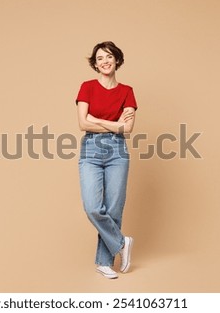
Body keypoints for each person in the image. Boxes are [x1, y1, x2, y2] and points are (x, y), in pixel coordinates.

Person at [75, 41, 138, 279]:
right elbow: (83, 124)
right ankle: (122, 242)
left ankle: (104, 262)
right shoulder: (87, 87)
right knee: (92, 207)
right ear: (95, 63)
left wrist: (97, 119)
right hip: (91, 150)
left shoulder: (127, 91)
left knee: (113, 208)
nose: (104, 61)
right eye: (100, 58)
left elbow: (128, 129)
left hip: (118, 152)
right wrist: (115, 124)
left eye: (109, 57)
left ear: (117, 60)